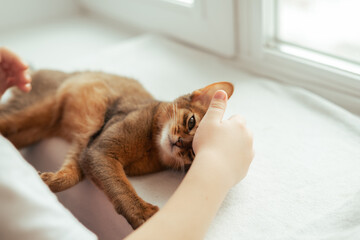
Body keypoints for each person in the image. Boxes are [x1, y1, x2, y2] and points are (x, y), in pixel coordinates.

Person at [0, 47, 254, 240]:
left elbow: (91, 145)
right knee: (13, 126)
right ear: (195, 97)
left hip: (71, 118)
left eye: (192, 151)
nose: (181, 140)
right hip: (60, 89)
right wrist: (137, 209)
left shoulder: (159, 160)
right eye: (189, 124)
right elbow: (100, 154)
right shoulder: (147, 117)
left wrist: (67, 175)